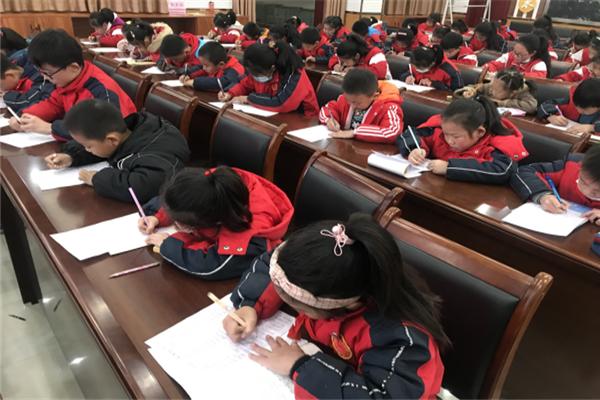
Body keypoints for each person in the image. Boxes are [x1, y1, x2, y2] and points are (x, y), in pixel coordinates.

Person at [223, 213, 448, 399]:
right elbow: (275, 265)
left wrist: (299, 366)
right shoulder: (334, 265)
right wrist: (250, 304)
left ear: (344, 306)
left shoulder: (403, 342)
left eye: (301, 308)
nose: (299, 311)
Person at [139, 166, 293, 278]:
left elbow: (211, 266)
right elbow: (182, 198)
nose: (176, 226)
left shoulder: (251, 234)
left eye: (179, 223)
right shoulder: (211, 183)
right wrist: (159, 217)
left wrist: (168, 245)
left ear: (216, 221)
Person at [44, 100, 189, 203]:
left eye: (88, 146)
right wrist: (71, 156)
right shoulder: (124, 134)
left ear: (112, 140)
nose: (86, 149)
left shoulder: (156, 153)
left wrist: (97, 179)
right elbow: (103, 148)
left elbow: (142, 188)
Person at [8, 29, 136, 141]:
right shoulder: (68, 81)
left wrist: (50, 128)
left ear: (73, 67)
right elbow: (53, 104)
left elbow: (102, 130)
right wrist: (24, 116)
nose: (45, 78)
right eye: (42, 73)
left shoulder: (101, 90)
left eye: (48, 73)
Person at [397, 97, 528, 184]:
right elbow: (412, 134)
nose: (449, 141)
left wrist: (450, 167)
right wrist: (415, 148)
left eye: (456, 137)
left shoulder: (497, 145)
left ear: (480, 132)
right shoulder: (440, 129)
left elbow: (502, 170)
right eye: (446, 134)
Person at [219, 41, 319, 116]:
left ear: (272, 68)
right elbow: (245, 85)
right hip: (272, 114)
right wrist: (230, 93)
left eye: (257, 74)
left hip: (303, 119)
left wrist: (248, 98)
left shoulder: (294, 74)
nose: (255, 77)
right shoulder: (260, 68)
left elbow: (281, 103)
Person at [510, 145, 600, 225]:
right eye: (583, 182)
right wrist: (543, 195)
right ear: (581, 166)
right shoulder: (570, 166)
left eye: (598, 191)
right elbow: (524, 171)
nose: (587, 191)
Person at [319, 68, 404, 143]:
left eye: (357, 103)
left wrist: (355, 132)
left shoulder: (389, 107)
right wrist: (329, 120)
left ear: (375, 96)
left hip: (368, 151)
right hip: (345, 147)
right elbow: (327, 108)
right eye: (348, 100)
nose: (352, 105)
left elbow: (393, 132)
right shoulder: (345, 100)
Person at [454, 69, 538, 114]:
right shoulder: (492, 86)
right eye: (492, 86)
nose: (491, 91)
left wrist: (501, 103)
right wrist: (469, 91)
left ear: (512, 92)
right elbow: (477, 87)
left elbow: (531, 106)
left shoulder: (522, 93)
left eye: (495, 90)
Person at [180, 41, 244, 92]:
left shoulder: (234, 70)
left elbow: (221, 83)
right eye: (203, 65)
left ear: (221, 64)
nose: (204, 68)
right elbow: (201, 69)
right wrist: (188, 75)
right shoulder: (215, 64)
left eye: (206, 65)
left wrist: (194, 82)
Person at [486, 34, 551, 79]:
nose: (515, 56)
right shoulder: (509, 56)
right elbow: (492, 65)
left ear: (532, 53)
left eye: (519, 54)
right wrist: (491, 72)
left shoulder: (539, 65)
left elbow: (537, 79)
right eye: (514, 51)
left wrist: (513, 75)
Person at [399, 45, 463, 90]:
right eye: (414, 67)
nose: (416, 69)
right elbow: (403, 75)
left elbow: (458, 92)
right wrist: (406, 77)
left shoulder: (450, 70)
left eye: (420, 68)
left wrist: (434, 84)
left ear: (432, 64)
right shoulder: (415, 61)